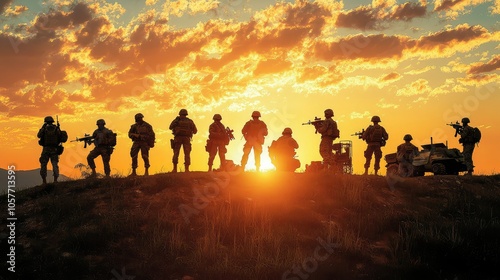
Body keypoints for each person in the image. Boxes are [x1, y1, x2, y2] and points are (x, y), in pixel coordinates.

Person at [37, 116, 62, 184]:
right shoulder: (56, 128)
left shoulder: (44, 129)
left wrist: (42, 127)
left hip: (46, 149)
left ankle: (44, 181)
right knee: (54, 164)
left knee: (43, 164)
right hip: (54, 149)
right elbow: (60, 137)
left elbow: (38, 135)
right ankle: (55, 180)